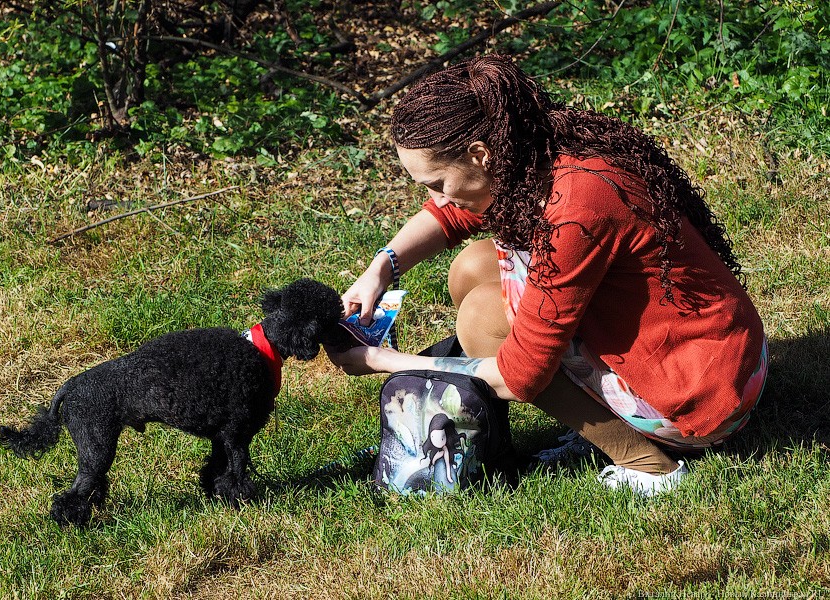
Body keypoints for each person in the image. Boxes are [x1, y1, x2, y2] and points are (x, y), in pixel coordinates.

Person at [326, 54, 767, 496]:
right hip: (709, 352)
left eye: (437, 183)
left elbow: (521, 374)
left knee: (483, 320)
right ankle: (600, 421)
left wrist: (381, 361)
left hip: (698, 396)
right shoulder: (534, 152)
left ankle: (649, 465)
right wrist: (380, 267)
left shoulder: (577, 209)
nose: (435, 197)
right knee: (472, 267)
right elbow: (450, 218)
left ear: (480, 155)